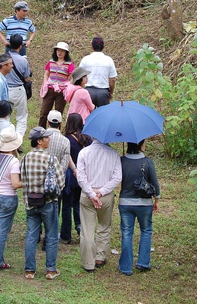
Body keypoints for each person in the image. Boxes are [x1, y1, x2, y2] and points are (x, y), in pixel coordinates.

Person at [20, 126, 65, 281]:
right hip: (48, 202)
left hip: (30, 202)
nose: (49, 139)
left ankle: (29, 270)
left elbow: (23, 179)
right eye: (46, 137)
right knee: (51, 235)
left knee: (31, 235)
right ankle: (50, 270)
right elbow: (61, 182)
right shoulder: (51, 159)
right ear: (39, 141)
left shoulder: (25, 158)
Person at [76, 137, 122, 272]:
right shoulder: (113, 154)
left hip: (87, 195)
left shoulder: (84, 152)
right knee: (104, 225)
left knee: (87, 229)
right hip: (105, 196)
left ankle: (88, 263)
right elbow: (117, 177)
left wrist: (91, 193)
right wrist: (101, 192)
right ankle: (100, 257)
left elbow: (81, 177)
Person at [118, 140, 160, 275]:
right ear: (140, 145)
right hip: (144, 203)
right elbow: (155, 184)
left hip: (125, 202)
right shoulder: (148, 162)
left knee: (126, 232)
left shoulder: (121, 161)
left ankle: (125, 266)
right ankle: (143, 262)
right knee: (146, 231)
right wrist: (157, 200)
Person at [0, 127, 23, 270]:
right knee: (2, 231)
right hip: (8, 198)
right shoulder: (13, 162)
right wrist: (30, 182)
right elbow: (15, 184)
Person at [60, 113, 92, 244]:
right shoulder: (87, 139)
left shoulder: (66, 139)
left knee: (66, 205)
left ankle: (66, 235)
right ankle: (81, 229)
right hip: (84, 175)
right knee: (79, 204)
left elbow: (66, 157)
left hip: (70, 174)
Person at [39, 42, 75, 128]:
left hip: (61, 91)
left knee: (58, 113)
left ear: (66, 53)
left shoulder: (69, 64)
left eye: (62, 51)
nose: (60, 53)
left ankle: (56, 130)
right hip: (50, 89)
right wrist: (45, 82)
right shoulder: (51, 62)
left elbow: (72, 77)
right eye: (58, 50)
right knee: (44, 112)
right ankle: (41, 130)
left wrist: (67, 85)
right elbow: (47, 73)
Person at [5, 33, 31, 137]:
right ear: (20, 46)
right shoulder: (23, 60)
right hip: (18, 90)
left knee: (6, 116)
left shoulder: (4, 59)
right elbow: (26, 78)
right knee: (21, 117)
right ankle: (18, 140)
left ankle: (6, 137)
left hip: (5, 89)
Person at [79, 37, 117, 107]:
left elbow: (79, 76)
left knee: (89, 116)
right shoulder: (109, 60)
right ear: (103, 47)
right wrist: (110, 92)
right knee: (103, 116)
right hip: (103, 92)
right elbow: (112, 79)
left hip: (89, 92)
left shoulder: (85, 59)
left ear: (92, 47)